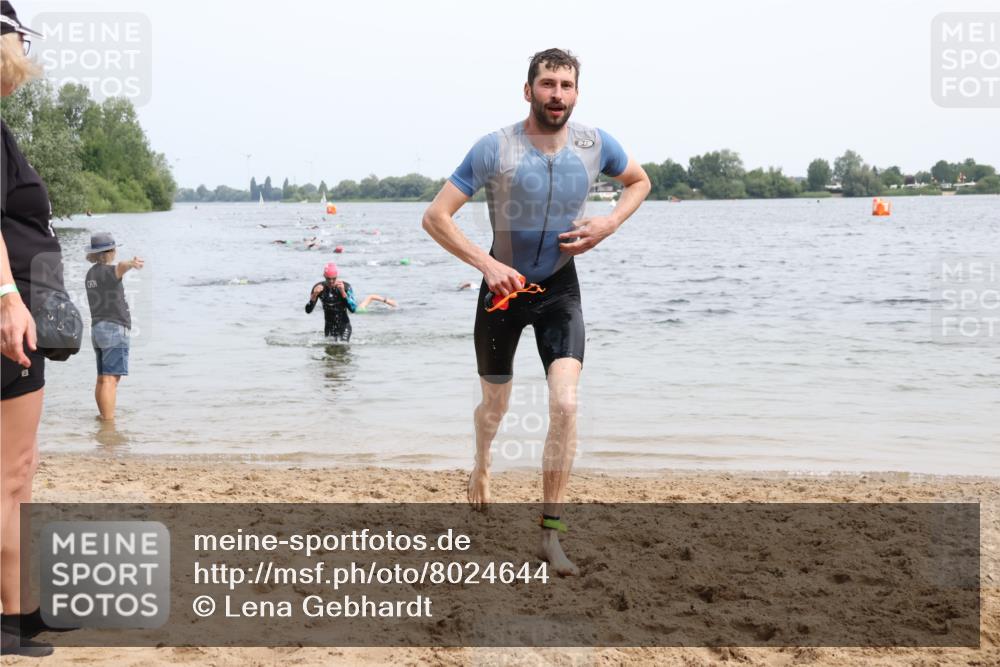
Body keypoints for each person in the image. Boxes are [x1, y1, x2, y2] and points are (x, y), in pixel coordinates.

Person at [421, 48, 650, 576]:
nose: (557, 95)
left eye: (567, 86)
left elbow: (639, 182)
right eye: (547, 84)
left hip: (558, 289)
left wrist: (608, 223)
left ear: (576, 93)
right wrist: (486, 263)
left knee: (566, 406)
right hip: (501, 292)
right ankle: (482, 461)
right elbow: (435, 217)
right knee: (495, 410)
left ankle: (551, 534)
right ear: (528, 91)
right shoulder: (494, 148)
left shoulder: (597, 145)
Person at [0, 2, 69, 656]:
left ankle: (20, 613)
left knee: (19, 471)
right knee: (8, 473)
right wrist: (8, 298)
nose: (27, 55)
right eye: (21, 39)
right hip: (7, 322)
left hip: (20, 319)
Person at [84, 232, 143, 422]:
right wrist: (131, 264)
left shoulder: (90, 273)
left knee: (102, 378)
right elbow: (121, 267)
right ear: (110, 252)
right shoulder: (109, 272)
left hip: (97, 329)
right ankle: (109, 424)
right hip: (114, 328)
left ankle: (103, 417)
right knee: (111, 379)